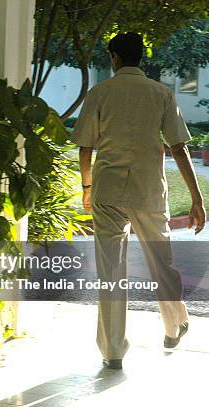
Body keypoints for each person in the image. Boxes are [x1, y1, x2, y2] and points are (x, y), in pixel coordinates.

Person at [73, 32, 206, 370]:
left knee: (111, 271)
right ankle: (175, 324)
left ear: (114, 56)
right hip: (148, 190)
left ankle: (113, 351)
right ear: (140, 58)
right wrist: (197, 199)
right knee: (161, 261)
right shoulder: (161, 93)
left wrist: (87, 187)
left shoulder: (99, 93)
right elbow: (178, 147)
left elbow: (85, 147)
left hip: (108, 191)